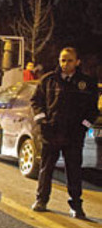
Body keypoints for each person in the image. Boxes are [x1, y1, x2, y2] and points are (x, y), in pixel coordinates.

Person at [30, 47, 99, 219]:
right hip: (51, 132)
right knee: (46, 170)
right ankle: (41, 200)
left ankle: (76, 206)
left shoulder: (86, 83)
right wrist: (42, 121)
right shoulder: (48, 80)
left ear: (77, 62)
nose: (64, 63)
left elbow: (92, 111)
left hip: (73, 136)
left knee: (74, 171)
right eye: (62, 60)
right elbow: (36, 102)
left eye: (69, 60)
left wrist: (83, 127)